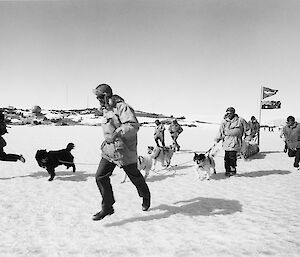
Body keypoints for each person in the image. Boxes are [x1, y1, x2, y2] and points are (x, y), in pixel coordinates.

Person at [92, 84, 151, 221]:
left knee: (135, 177)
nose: (98, 100)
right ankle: (107, 207)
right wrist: (108, 139)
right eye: (97, 97)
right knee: (100, 177)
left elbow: (133, 125)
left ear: (107, 96)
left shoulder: (123, 107)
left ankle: (145, 196)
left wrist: (117, 133)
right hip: (109, 151)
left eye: (100, 97)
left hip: (124, 151)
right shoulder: (106, 109)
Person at [214, 107, 250, 176]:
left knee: (232, 157)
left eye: (230, 113)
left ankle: (232, 170)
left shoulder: (240, 120)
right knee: (226, 158)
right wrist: (217, 139)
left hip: (235, 142)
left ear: (233, 113)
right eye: (227, 113)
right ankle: (227, 170)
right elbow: (220, 132)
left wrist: (247, 138)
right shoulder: (224, 121)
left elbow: (248, 129)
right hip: (226, 142)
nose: (229, 114)